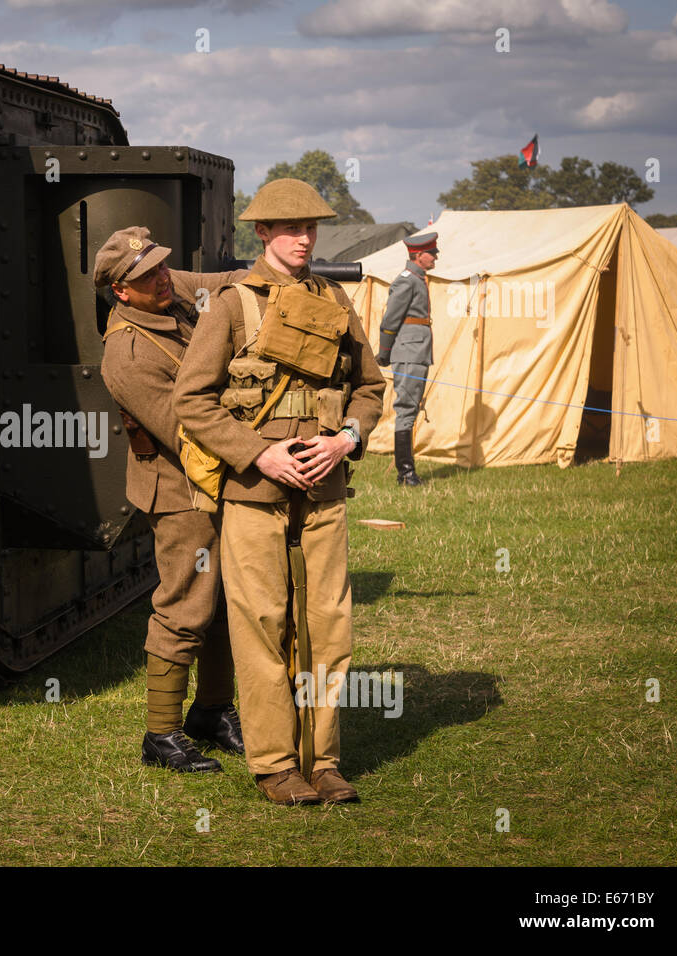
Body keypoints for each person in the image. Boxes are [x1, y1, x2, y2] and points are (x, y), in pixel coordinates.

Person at [173, 180, 385, 804]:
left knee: (328, 629)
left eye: (311, 227)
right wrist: (257, 451)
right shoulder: (232, 305)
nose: (303, 237)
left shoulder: (336, 300)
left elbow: (370, 388)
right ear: (261, 233)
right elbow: (192, 400)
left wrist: (347, 437)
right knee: (262, 625)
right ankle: (274, 766)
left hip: (323, 493)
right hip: (252, 494)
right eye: (288, 227)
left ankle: (323, 762)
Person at [95, 227, 246, 773]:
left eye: (161, 266)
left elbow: (225, 281)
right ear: (121, 292)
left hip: (216, 475)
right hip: (182, 488)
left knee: (225, 598)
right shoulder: (128, 353)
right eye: (147, 276)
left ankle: (212, 712)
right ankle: (160, 735)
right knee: (186, 604)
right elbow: (190, 434)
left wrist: (277, 273)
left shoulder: (164, 286)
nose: (163, 277)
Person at [375, 232, 438, 486]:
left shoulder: (418, 279)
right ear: (417, 255)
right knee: (406, 410)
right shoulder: (407, 281)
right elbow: (390, 320)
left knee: (410, 409)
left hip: (417, 351)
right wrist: (385, 352)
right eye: (431, 252)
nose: (435, 256)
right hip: (409, 352)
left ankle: (407, 471)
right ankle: (406, 473)